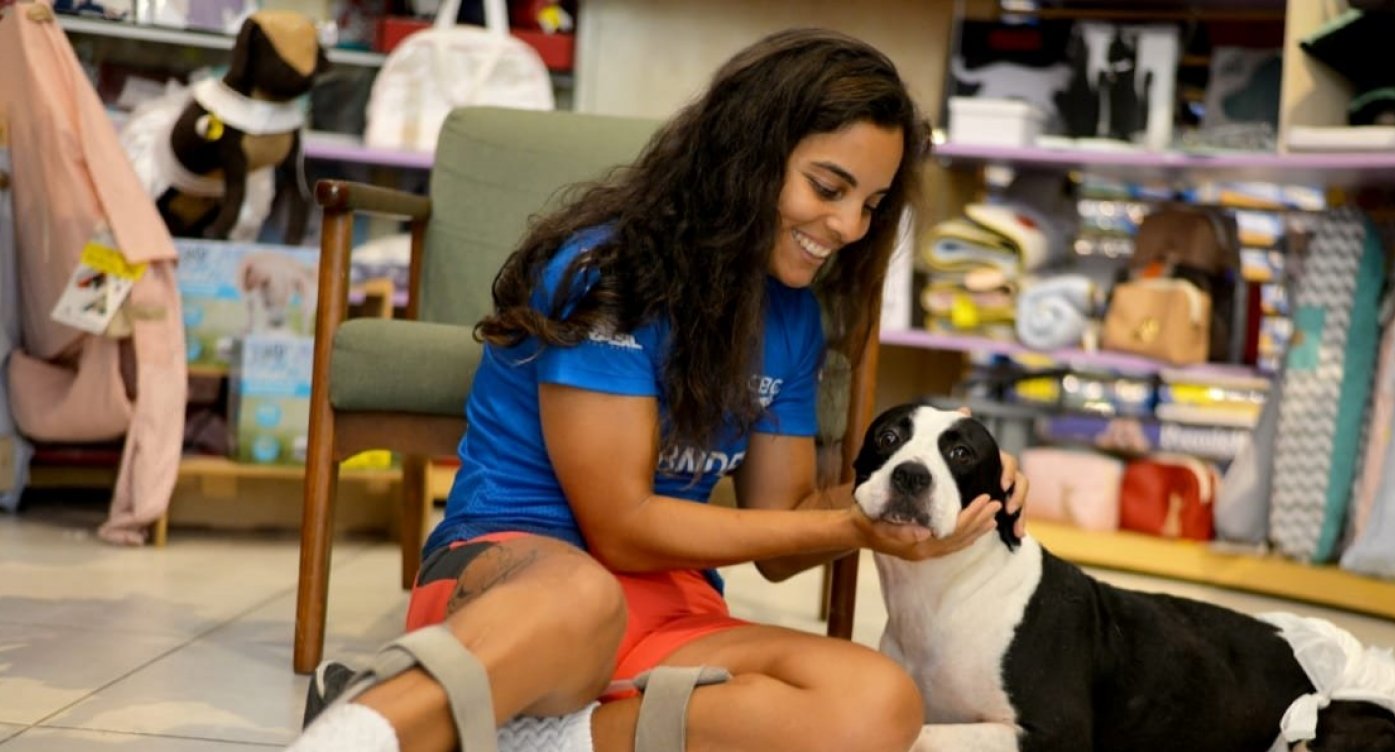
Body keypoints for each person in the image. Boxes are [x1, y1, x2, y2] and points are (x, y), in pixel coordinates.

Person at [288, 27, 1028, 752]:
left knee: (878, 703)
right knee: (583, 599)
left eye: (870, 204)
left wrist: (935, 485)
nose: (846, 226)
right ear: (749, 154)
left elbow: (782, 528)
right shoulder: (609, 273)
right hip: (520, 581)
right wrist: (848, 529)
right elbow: (620, 527)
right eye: (828, 187)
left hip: (672, 611)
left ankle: (511, 734)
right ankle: (370, 728)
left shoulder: (795, 317)